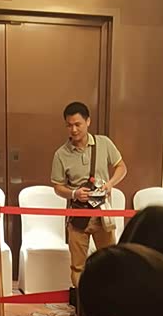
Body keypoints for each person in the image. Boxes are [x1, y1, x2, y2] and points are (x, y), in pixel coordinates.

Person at [51, 101, 127, 295]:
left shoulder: (104, 143)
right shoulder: (61, 154)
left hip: (103, 213)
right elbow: (58, 187)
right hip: (77, 216)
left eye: (78, 124)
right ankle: (82, 302)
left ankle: (108, 300)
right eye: (69, 125)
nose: (74, 129)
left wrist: (110, 184)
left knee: (109, 261)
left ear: (88, 121)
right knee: (78, 266)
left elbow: (121, 167)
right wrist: (74, 193)